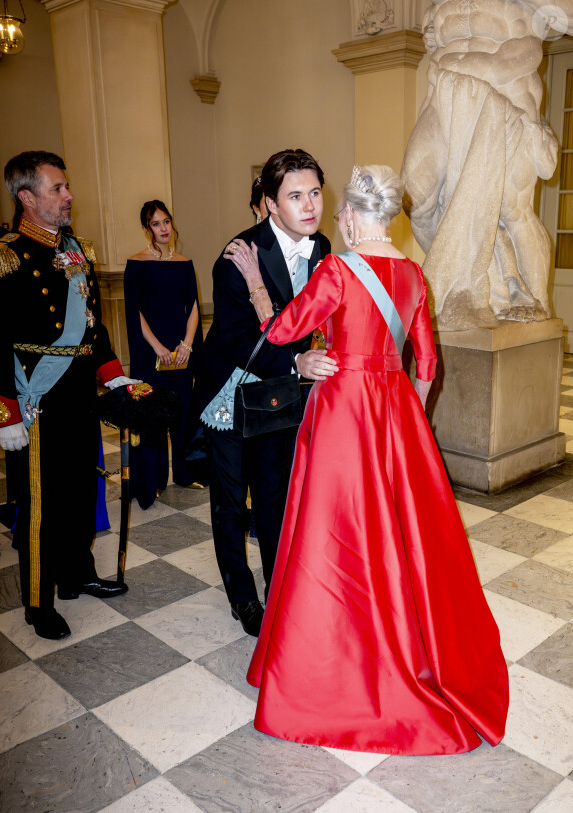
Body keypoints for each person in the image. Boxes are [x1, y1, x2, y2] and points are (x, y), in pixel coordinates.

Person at [229, 164, 509, 754]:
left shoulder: (337, 269)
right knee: (403, 534)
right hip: (398, 413)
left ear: (354, 218)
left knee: (333, 535)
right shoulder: (413, 274)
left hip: (343, 414)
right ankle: (409, 643)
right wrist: (407, 410)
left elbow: (282, 332)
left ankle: (333, 650)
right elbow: (427, 366)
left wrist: (257, 286)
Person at [0, 151, 135, 641]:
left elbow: (93, 328)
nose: (68, 195)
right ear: (27, 197)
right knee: (39, 505)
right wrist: (3, 412)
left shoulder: (78, 250)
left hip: (78, 396)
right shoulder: (5, 256)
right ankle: (38, 601)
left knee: (79, 490)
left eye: (66, 186)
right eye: (57, 189)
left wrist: (116, 378)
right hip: (35, 399)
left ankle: (78, 573)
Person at [196, 148, 336, 637]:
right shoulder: (239, 256)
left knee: (276, 496)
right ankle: (243, 599)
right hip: (230, 393)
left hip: (278, 394)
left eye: (315, 192)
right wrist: (295, 360)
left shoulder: (322, 249)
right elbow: (235, 340)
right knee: (232, 505)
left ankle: (280, 591)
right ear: (271, 205)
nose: (310, 205)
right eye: (295, 196)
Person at [401, 0, 565, 328]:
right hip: (443, 98)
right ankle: (460, 281)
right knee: (416, 197)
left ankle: (530, 296)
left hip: (507, 102)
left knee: (509, 210)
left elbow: (539, 41)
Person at [124, 200, 203, 509]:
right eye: (156, 224)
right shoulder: (137, 263)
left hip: (182, 348)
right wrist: (158, 347)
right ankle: (153, 480)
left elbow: (194, 306)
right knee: (153, 414)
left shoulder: (184, 262)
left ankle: (184, 473)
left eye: (166, 221)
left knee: (183, 411)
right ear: (147, 229)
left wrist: (186, 345)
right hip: (150, 348)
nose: (164, 228)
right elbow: (134, 311)